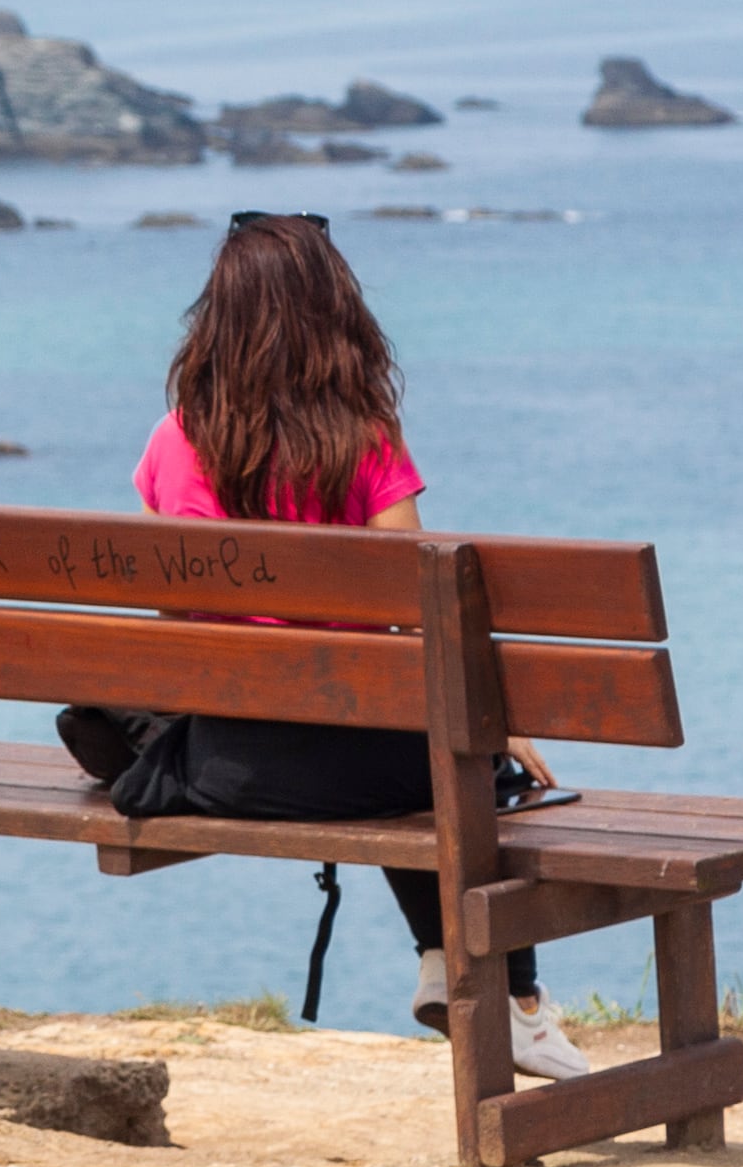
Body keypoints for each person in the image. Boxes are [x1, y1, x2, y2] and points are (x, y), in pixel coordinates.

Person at [55, 211, 593, 1083]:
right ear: (335, 314)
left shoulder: (173, 440)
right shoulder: (366, 440)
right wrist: (499, 727)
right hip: (366, 767)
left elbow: (172, 626)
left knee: (405, 748)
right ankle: (512, 1001)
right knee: (461, 765)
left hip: (231, 767)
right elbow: (424, 613)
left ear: (217, 317)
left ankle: (149, 744)